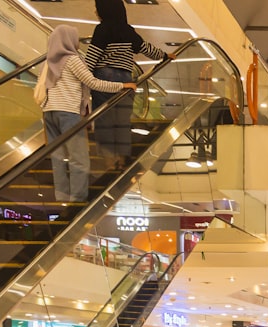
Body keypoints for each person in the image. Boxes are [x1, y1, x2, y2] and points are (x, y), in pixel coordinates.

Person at [41, 25, 136, 202]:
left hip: (49, 113)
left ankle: (61, 196)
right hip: (68, 113)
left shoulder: (48, 61)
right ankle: (77, 199)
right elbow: (93, 82)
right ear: (69, 39)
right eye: (75, 38)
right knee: (79, 159)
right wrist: (122, 85)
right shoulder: (72, 60)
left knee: (58, 157)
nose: (77, 42)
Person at [86, 0, 171, 169]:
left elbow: (91, 58)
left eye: (98, 8)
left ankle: (110, 163)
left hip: (105, 76)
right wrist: (165, 55)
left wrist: (83, 77)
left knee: (104, 120)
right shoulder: (128, 30)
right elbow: (147, 49)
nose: (96, 12)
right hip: (126, 79)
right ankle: (122, 160)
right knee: (122, 121)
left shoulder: (102, 29)